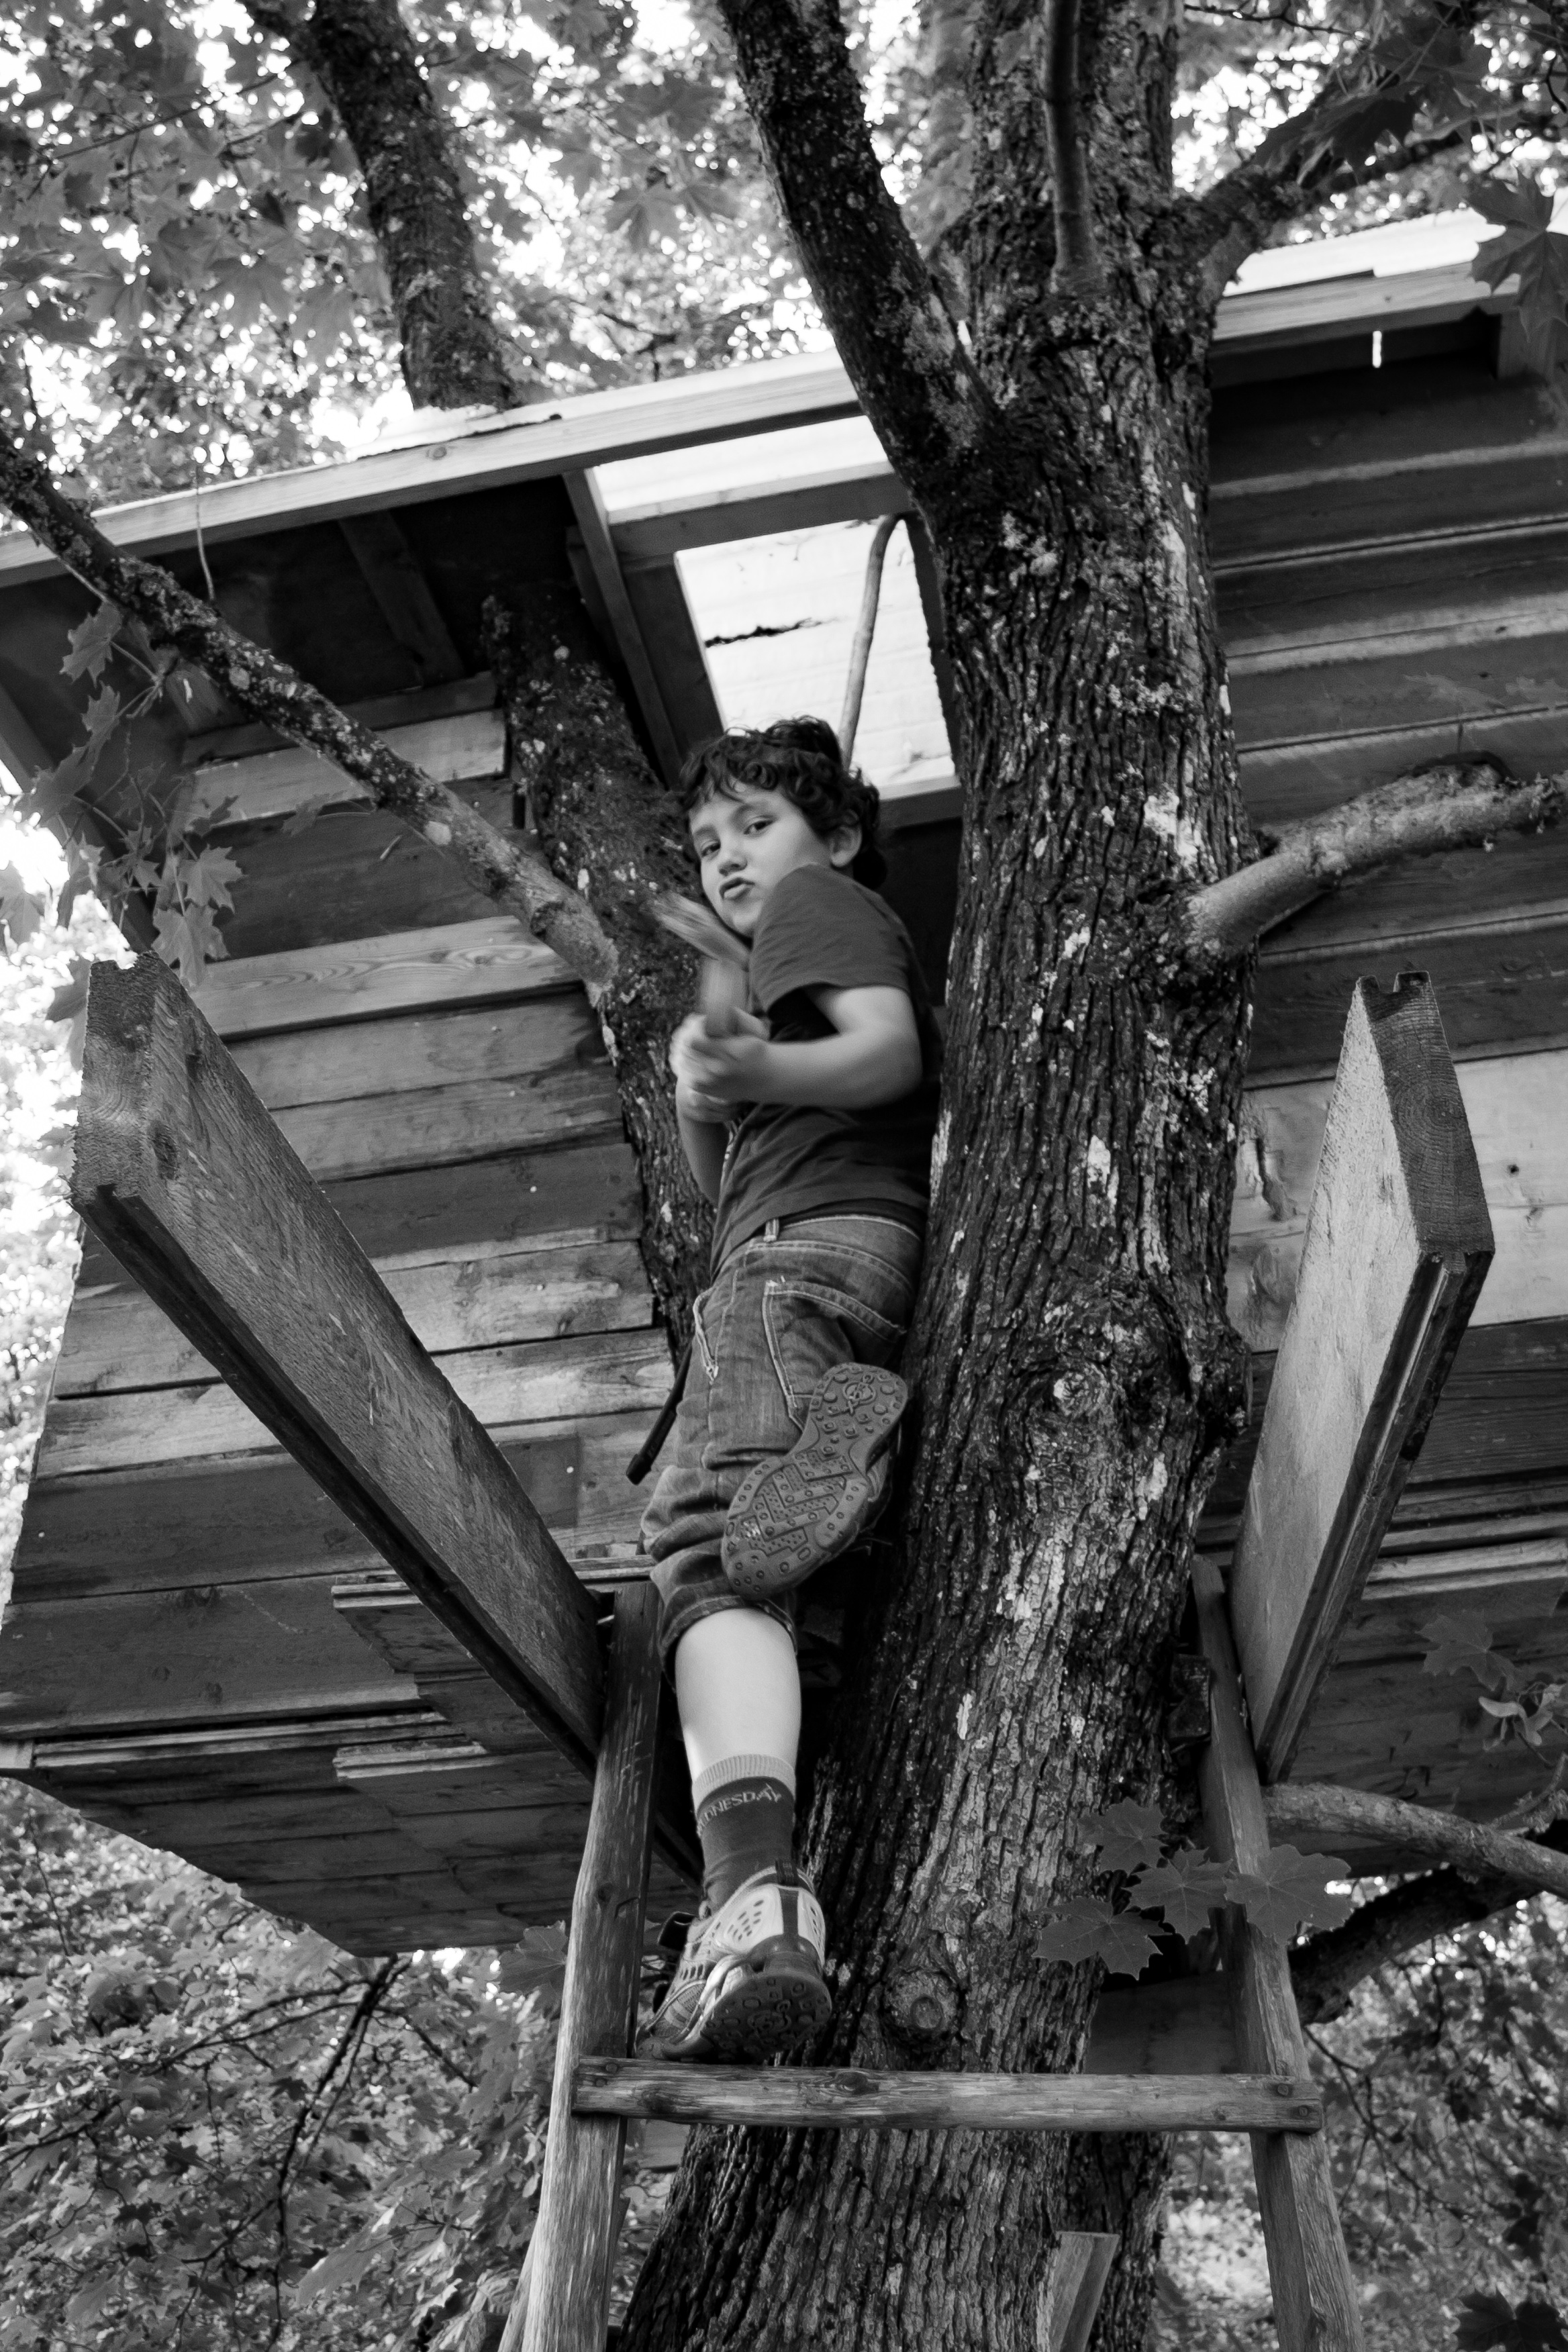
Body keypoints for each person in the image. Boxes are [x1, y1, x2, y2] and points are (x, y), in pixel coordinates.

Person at [638, 716, 942, 2064]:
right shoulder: (781, 962)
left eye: (755, 823)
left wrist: (756, 1063)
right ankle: (826, 1458)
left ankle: (750, 1903)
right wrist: (707, 1085)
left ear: (841, 835)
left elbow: (886, 1054)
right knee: (773, 1586)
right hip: (837, 1260)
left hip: (793, 1266)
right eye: (708, 842)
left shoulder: (821, 905)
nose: (728, 856)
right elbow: (728, 1187)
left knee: (711, 1553)